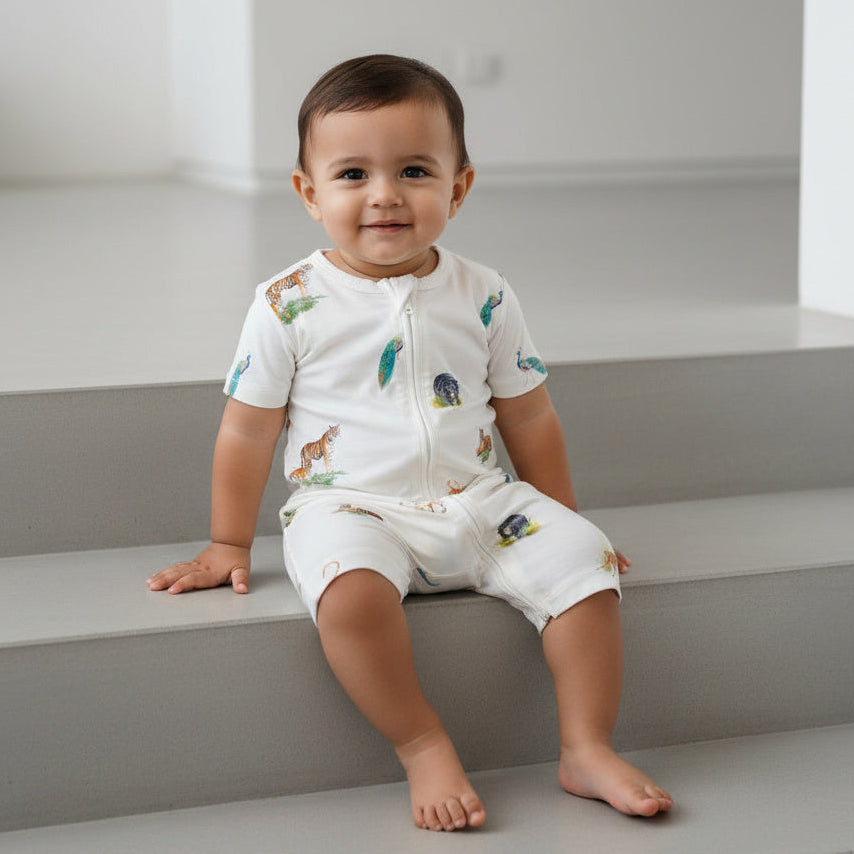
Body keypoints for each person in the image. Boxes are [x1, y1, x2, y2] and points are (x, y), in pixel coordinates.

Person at [147, 54, 673, 832]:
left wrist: (564, 516)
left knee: (587, 573)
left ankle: (586, 746)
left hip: (483, 501)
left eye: (415, 170)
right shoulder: (288, 304)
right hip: (351, 507)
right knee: (350, 600)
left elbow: (528, 415)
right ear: (309, 193)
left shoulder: (485, 293)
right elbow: (248, 428)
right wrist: (228, 542)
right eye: (353, 174)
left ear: (458, 187)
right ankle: (422, 742)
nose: (385, 194)